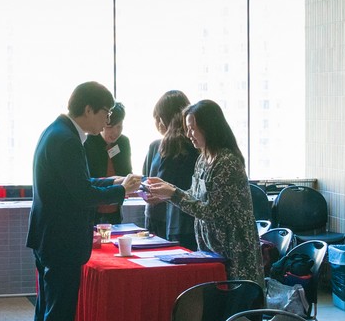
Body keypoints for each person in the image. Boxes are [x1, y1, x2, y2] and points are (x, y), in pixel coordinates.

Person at [27, 82, 140, 321]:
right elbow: (82, 194)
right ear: (89, 110)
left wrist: (115, 183)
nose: (106, 121)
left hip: (50, 237)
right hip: (60, 241)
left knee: (47, 318)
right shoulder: (65, 140)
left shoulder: (59, 132)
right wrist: (121, 192)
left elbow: (80, 185)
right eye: (105, 113)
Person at [143, 99, 262, 283]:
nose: (188, 134)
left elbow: (211, 211)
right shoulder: (203, 158)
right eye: (187, 128)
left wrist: (173, 194)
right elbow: (194, 195)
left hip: (234, 249)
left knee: (235, 305)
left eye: (192, 128)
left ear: (209, 128)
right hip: (211, 248)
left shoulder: (227, 162)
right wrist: (167, 192)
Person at [142, 90, 197, 248]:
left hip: (177, 219)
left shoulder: (186, 145)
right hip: (165, 216)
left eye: (158, 118)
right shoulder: (156, 146)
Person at [83, 102, 131, 222]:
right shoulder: (87, 142)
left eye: (119, 127)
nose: (115, 132)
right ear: (103, 124)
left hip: (115, 205)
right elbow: (87, 180)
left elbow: (127, 172)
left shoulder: (123, 142)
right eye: (110, 127)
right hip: (94, 206)